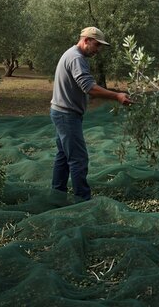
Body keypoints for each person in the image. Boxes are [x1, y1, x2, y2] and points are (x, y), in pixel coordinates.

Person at [50, 27, 132, 201]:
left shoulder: (73, 55)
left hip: (61, 111)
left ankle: (57, 194)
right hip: (66, 115)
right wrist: (117, 95)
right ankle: (83, 199)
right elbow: (89, 88)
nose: (98, 50)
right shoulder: (76, 58)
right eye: (96, 45)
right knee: (78, 159)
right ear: (86, 40)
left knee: (63, 156)